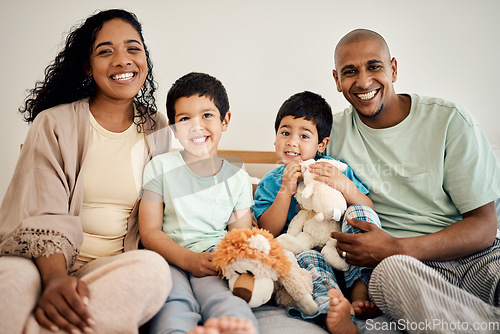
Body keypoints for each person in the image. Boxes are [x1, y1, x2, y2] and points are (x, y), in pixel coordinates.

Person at [0, 9, 172, 334]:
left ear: (145, 59)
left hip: (111, 266)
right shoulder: (53, 123)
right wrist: (55, 282)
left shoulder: (157, 128)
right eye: (106, 51)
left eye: (133, 48)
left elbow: (160, 215)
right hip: (42, 263)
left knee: (154, 270)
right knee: (10, 284)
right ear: (87, 66)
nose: (123, 60)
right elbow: (42, 213)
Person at [326, 28, 500, 332]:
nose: (364, 81)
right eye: (350, 71)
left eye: (374, 66)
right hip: (404, 272)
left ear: (393, 68)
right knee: (388, 273)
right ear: (337, 80)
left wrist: (396, 247)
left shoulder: (449, 120)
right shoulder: (330, 134)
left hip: (477, 257)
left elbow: (485, 226)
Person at [138, 72, 258, 334]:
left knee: (224, 298)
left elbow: (238, 236)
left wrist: (222, 261)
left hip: (214, 258)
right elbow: (149, 232)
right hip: (169, 256)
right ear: (173, 128)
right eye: (185, 119)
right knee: (172, 301)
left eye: (207, 115)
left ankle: (237, 326)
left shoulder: (238, 177)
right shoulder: (159, 167)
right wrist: (188, 260)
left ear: (224, 120)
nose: (197, 126)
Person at [253, 91, 379, 333]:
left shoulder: (335, 169)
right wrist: (285, 192)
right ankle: (332, 310)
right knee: (307, 259)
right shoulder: (271, 181)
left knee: (360, 213)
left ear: (322, 144)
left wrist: (343, 184)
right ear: (275, 138)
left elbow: (367, 208)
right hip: (306, 253)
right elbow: (268, 230)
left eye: (304, 135)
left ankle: (360, 290)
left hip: (342, 249)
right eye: (285, 132)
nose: (292, 141)